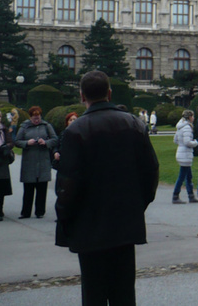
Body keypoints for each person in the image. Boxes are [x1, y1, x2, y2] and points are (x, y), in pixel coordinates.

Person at [56, 70, 159, 305]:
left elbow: (68, 183)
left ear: (82, 96)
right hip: (125, 221)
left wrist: (65, 215)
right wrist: (138, 205)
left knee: (93, 293)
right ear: (109, 93)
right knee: (124, 292)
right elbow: (151, 171)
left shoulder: (75, 130)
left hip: (89, 223)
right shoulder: (133, 123)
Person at [15, 106, 58, 219]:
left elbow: (55, 139)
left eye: (38, 118)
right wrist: (27, 143)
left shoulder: (46, 126)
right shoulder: (24, 127)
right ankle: (25, 212)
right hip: (29, 161)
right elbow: (17, 141)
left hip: (43, 160)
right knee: (28, 188)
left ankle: (40, 211)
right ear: (30, 117)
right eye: (34, 118)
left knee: (42, 188)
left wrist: (46, 142)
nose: (36, 120)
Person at [172, 110, 198, 204]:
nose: (193, 118)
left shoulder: (180, 127)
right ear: (189, 117)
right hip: (185, 154)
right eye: (193, 116)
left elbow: (175, 140)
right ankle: (175, 195)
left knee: (188, 176)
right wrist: (196, 142)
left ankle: (191, 195)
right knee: (182, 176)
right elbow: (187, 142)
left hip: (181, 152)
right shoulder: (187, 128)